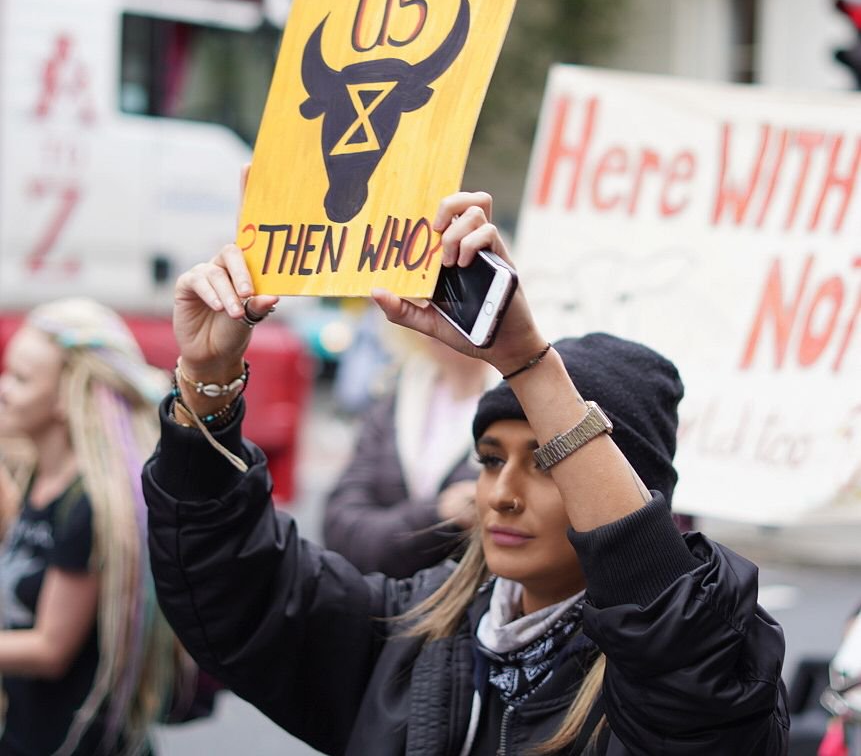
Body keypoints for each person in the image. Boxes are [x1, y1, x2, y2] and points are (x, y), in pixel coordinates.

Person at [143, 190, 790, 754]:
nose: (500, 495)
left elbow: (677, 652)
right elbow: (234, 585)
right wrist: (207, 382)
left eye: (548, 462)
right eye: (489, 459)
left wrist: (526, 362)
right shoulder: (412, 633)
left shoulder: (697, 666)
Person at [0, 298, 195, 756]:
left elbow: (50, 650)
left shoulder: (88, 505)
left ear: (65, 398)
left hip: (72, 742)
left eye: (21, 379)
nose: (4, 389)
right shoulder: (29, 478)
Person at [323, 332, 492, 577]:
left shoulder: (515, 408)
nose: (441, 320)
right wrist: (438, 513)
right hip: (383, 589)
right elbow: (342, 529)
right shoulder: (395, 399)